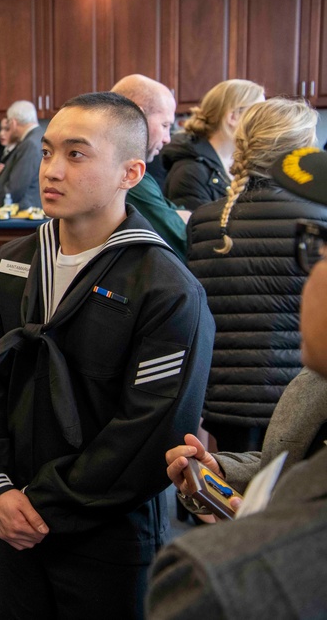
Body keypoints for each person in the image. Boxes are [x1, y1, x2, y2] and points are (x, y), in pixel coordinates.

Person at [0, 91, 214, 619]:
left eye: (76, 154)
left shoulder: (166, 289)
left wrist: (42, 505)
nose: (51, 169)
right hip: (16, 518)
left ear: (130, 173)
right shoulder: (12, 263)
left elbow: (148, 429)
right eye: (48, 151)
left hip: (108, 534)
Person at [147, 147, 327, 619]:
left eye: (319, 251)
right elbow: (292, 460)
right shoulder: (313, 385)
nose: (310, 278)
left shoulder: (219, 583)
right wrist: (223, 474)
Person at [186, 98, 327, 453]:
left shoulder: (206, 220)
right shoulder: (319, 217)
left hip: (224, 397)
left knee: (234, 496)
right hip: (302, 398)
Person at [112, 74, 189, 262]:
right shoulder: (128, 175)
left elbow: (172, 213)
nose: (167, 138)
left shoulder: (130, 168)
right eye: (165, 125)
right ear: (136, 116)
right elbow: (183, 239)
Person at [162, 79, 265, 210]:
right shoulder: (191, 172)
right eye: (258, 114)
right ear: (233, 117)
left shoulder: (242, 163)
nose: (264, 122)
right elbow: (196, 228)